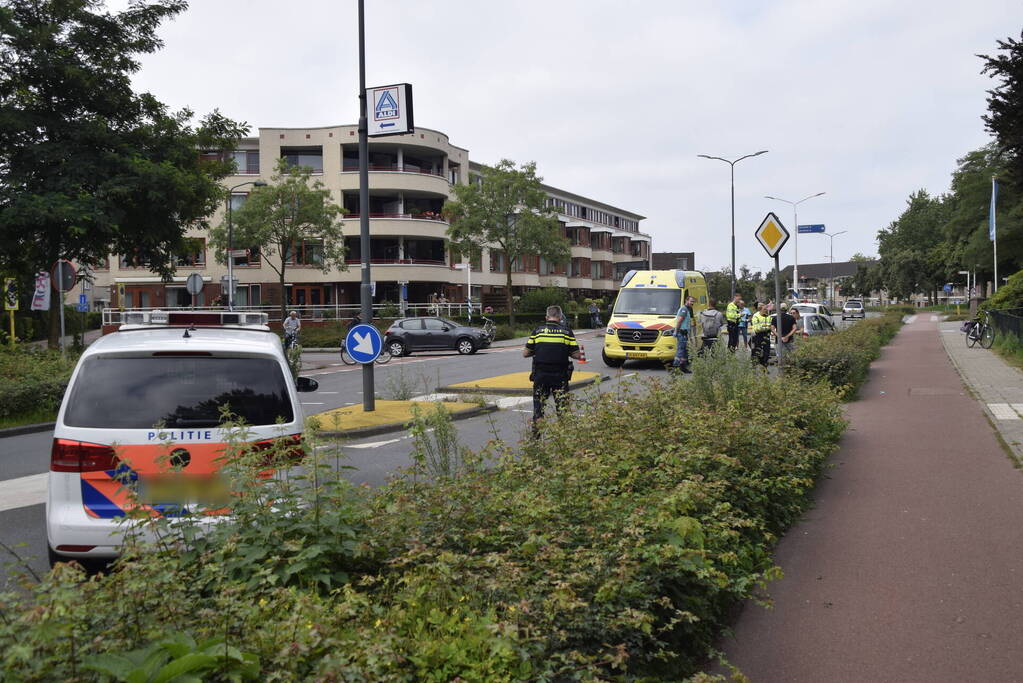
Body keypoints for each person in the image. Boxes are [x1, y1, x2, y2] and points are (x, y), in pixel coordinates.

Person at [523, 305, 581, 431]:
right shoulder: (567, 332)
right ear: (560, 317)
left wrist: (539, 350)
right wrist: (565, 350)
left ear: (546, 317)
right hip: (560, 376)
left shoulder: (537, 331)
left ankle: (536, 438)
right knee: (562, 408)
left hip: (540, 375)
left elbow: (525, 353)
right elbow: (577, 355)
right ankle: (563, 437)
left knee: (539, 409)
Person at [672, 299, 692, 373]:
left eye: (693, 301)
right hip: (682, 333)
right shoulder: (684, 310)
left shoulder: (687, 309)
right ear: (686, 301)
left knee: (684, 351)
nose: (692, 303)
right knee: (680, 351)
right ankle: (675, 367)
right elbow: (679, 321)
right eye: (691, 301)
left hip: (684, 333)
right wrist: (676, 331)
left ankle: (683, 367)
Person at [750, 303, 772, 367]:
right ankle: (754, 365)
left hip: (766, 335)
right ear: (760, 309)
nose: (766, 310)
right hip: (757, 336)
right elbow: (757, 329)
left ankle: (764, 365)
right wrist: (766, 327)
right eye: (764, 309)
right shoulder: (756, 316)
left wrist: (764, 326)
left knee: (766, 351)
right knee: (756, 351)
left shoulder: (768, 316)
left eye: (766, 309)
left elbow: (770, 326)